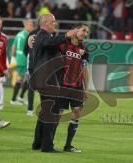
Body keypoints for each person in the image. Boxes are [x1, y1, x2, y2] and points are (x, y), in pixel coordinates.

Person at [31, 13, 78, 153]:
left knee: (46, 112)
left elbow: (53, 44)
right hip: (48, 81)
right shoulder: (43, 37)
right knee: (52, 113)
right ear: (44, 23)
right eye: (53, 22)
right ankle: (47, 146)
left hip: (45, 80)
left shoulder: (44, 37)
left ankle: (37, 143)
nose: (55, 24)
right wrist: (66, 35)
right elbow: (49, 42)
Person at [58, 23, 89, 153]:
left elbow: (85, 69)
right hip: (62, 86)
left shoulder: (85, 50)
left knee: (76, 112)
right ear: (75, 30)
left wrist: (86, 89)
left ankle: (68, 145)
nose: (85, 33)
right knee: (57, 114)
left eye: (87, 32)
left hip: (77, 87)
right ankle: (47, 142)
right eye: (83, 30)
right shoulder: (63, 45)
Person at [10, 19, 34, 105]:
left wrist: (13, 57)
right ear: (26, 25)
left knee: (26, 78)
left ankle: (19, 97)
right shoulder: (26, 36)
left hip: (19, 57)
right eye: (30, 25)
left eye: (32, 25)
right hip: (24, 58)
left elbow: (13, 46)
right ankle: (14, 99)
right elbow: (29, 49)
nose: (32, 27)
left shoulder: (19, 34)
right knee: (24, 78)